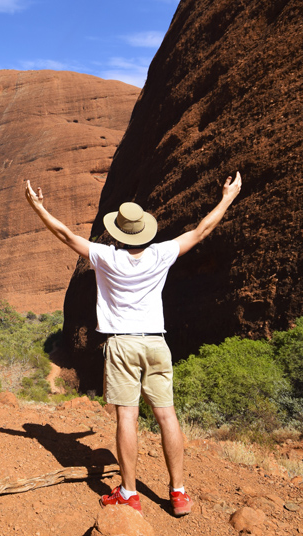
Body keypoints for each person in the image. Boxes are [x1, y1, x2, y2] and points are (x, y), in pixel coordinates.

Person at [24, 172, 242, 516]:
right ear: (145, 231)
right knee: (166, 415)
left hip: (122, 345)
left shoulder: (105, 257)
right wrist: (228, 197)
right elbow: (201, 230)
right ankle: (179, 492)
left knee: (127, 417)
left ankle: (129, 492)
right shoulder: (161, 254)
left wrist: (38, 207)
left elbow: (65, 234)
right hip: (157, 343)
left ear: (117, 233)